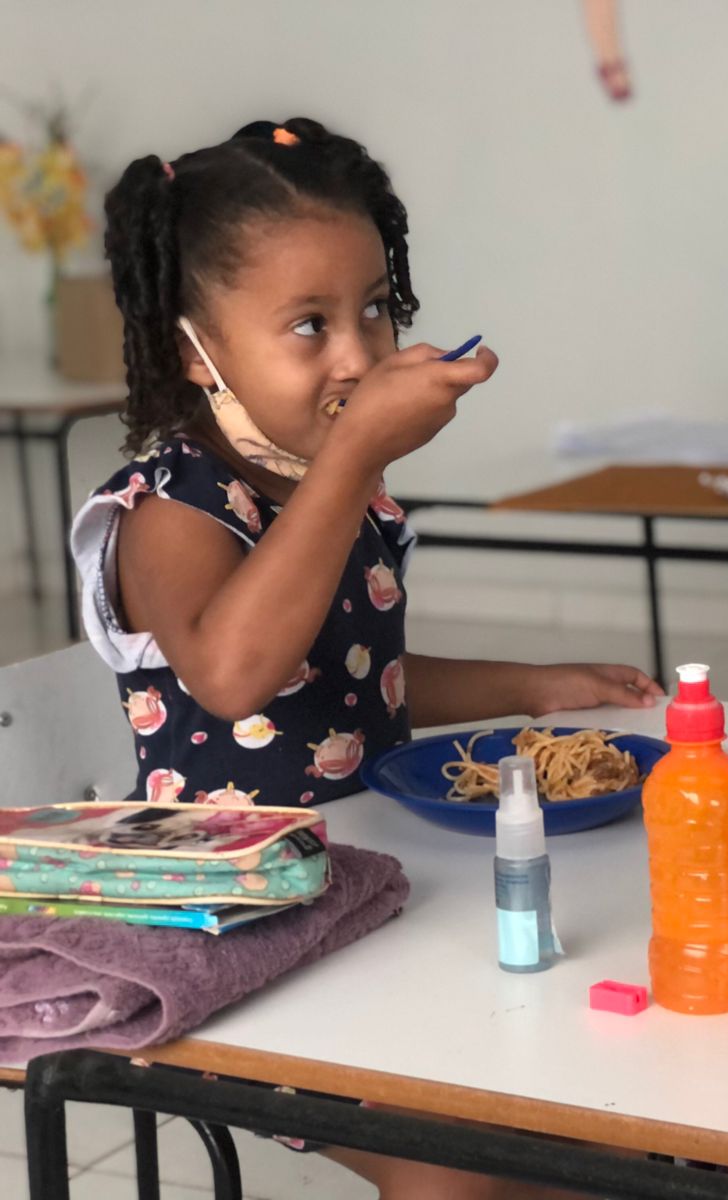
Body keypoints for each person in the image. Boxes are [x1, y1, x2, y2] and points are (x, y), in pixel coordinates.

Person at [78, 117, 664, 1199]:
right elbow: (235, 676)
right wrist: (352, 456)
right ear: (188, 348)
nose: (358, 354)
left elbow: (351, 682)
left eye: (376, 310)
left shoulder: (331, 487)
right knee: (458, 1178)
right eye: (309, 325)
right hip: (230, 928)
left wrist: (527, 689)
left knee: (597, 1118)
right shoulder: (174, 510)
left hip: (370, 885)